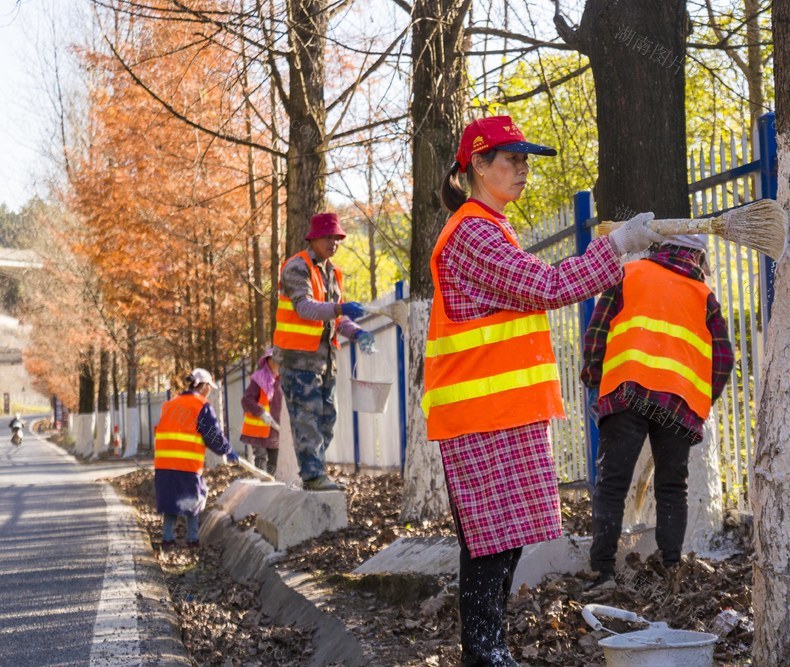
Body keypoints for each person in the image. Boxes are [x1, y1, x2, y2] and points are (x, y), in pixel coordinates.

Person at [425, 115, 672, 666]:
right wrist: (619, 247)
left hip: (497, 413)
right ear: (477, 166)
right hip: (481, 415)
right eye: (510, 159)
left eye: (525, 159)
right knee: (491, 542)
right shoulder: (472, 232)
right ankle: (485, 653)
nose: (523, 169)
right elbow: (547, 286)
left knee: (499, 539)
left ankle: (487, 651)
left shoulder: (491, 227)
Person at [581, 237, 735, 586]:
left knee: (612, 484)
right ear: (697, 256)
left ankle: (602, 571)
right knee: (671, 486)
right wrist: (700, 401)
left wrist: (594, 377)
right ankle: (670, 567)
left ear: (658, 248)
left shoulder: (627, 274)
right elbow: (723, 358)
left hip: (626, 393)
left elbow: (598, 330)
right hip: (678, 406)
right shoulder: (703, 295)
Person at [273, 212, 375, 491]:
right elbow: (305, 308)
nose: (334, 242)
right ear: (314, 238)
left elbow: (335, 318)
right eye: (329, 237)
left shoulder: (333, 273)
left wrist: (357, 333)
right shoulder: (297, 267)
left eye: (338, 238)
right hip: (297, 359)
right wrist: (340, 309)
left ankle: (316, 472)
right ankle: (313, 476)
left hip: (324, 361)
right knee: (306, 418)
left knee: (328, 418)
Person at [154, 368, 239, 550]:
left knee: (170, 500)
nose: (210, 390)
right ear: (204, 386)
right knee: (192, 500)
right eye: (209, 387)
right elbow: (211, 434)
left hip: (164, 463)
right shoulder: (201, 405)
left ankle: (167, 538)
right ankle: (192, 540)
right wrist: (227, 449)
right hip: (186, 464)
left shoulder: (170, 404)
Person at [240, 348, 282, 475]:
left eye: (278, 360)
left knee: (275, 462)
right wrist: (261, 412)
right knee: (261, 460)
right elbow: (246, 400)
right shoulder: (259, 379)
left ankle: (272, 489)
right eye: (273, 360)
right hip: (260, 429)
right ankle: (262, 488)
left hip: (276, 429)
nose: (276, 363)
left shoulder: (283, 380)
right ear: (267, 361)